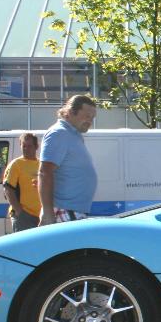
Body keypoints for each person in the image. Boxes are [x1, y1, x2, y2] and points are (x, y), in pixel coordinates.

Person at [39, 94, 98, 225]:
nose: (90, 121)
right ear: (70, 112)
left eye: (92, 118)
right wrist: (48, 213)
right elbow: (45, 172)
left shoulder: (73, 135)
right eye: (87, 116)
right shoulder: (58, 133)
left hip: (72, 211)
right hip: (65, 211)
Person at [2, 133, 41, 232]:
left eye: (29, 146)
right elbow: (8, 189)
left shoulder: (41, 164)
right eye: (24, 146)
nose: (26, 149)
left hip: (40, 216)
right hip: (24, 216)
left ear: (36, 147)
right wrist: (20, 212)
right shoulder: (16, 164)